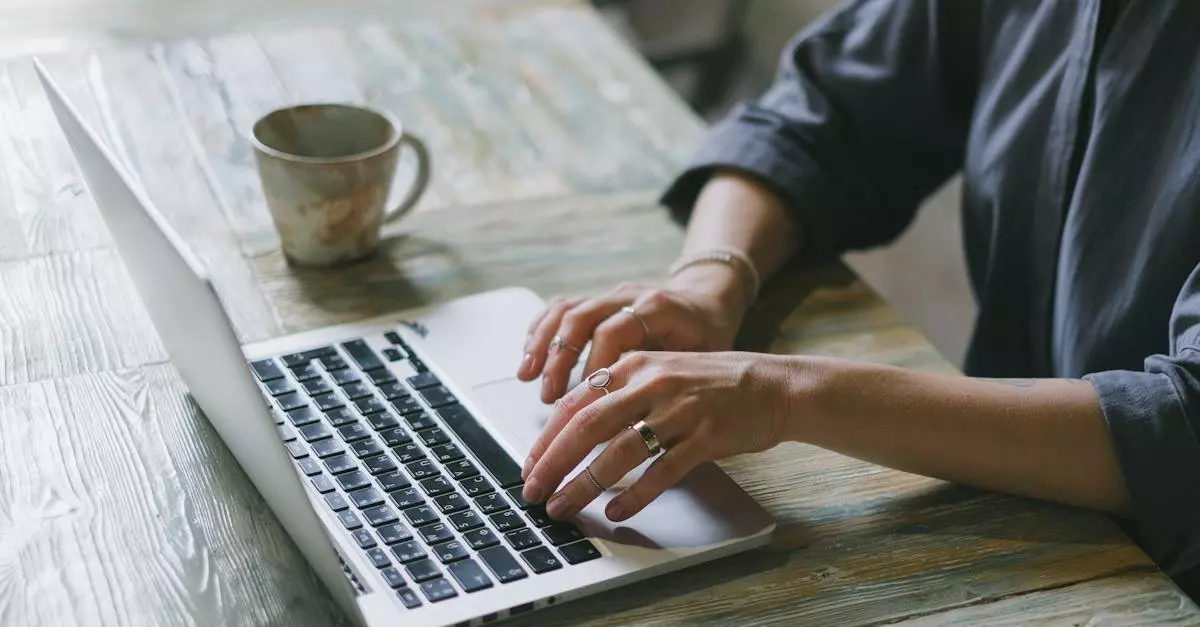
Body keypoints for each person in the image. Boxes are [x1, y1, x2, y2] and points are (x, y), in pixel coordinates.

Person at [517, 0, 1200, 596]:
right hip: (1020, 519)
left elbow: (1182, 431)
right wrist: (709, 278)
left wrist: (782, 392)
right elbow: (819, 117)